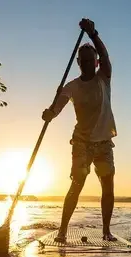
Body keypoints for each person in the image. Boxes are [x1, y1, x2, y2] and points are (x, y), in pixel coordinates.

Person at [42, 18, 117, 242]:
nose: (86, 63)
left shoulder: (104, 77)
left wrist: (93, 34)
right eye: (83, 60)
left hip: (104, 142)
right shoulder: (72, 86)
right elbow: (58, 106)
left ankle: (106, 231)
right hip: (82, 142)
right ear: (78, 62)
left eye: (90, 60)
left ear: (95, 63)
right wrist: (50, 113)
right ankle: (63, 231)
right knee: (77, 183)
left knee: (108, 186)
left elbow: (105, 56)